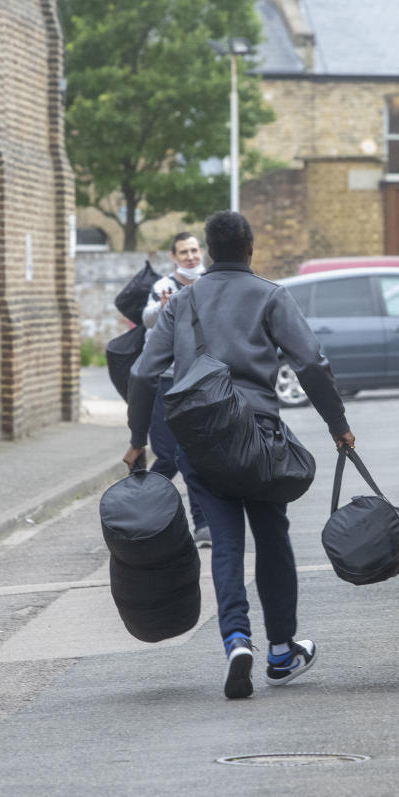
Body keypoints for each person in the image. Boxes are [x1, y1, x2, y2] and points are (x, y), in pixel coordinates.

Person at [123, 210, 356, 700]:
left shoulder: (181, 303)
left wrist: (138, 437)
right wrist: (338, 427)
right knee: (272, 540)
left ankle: (235, 640)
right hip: (259, 439)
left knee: (226, 545)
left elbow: (144, 373)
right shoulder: (271, 295)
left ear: (207, 251)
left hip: (200, 444)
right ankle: (280, 650)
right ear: (249, 248)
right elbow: (311, 363)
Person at [141, 232, 210, 547]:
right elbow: (147, 322)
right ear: (173, 257)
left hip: (200, 380)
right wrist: (164, 308)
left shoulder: (211, 283)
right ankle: (138, 505)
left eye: (194, 250)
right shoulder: (163, 288)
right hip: (167, 381)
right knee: (168, 455)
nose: (191, 256)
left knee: (194, 455)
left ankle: (203, 524)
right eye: (184, 252)